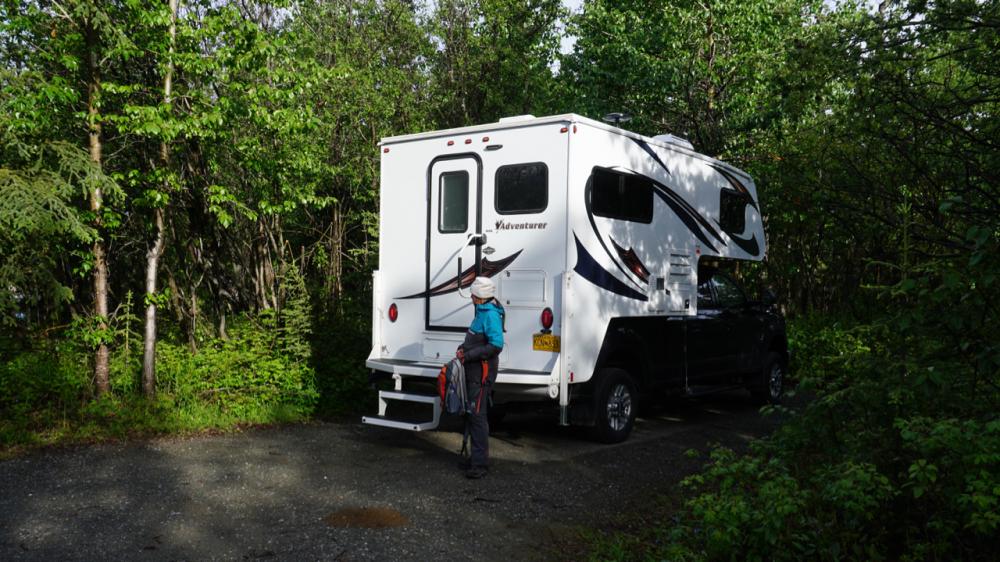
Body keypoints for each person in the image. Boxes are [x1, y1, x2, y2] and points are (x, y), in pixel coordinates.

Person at [456, 276, 504, 479]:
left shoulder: (490, 315)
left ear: (480, 296)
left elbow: (496, 345)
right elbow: (476, 340)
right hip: (473, 372)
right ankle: (475, 460)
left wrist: (468, 355)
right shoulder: (481, 312)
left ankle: (480, 465)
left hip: (481, 374)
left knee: (478, 417)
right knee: (473, 415)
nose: (471, 297)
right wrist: (462, 348)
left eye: (473, 294)